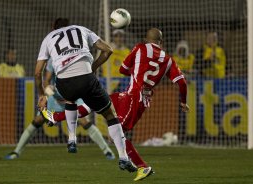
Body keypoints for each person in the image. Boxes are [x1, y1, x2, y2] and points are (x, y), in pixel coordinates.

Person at [42, 28, 190, 181]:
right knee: (93, 103)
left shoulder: (139, 48)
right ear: (162, 42)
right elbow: (182, 82)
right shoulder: (169, 59)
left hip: (134, 96)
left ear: (146, 39)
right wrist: (183, 102)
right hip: (134, 97)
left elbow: (123, 69)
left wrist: (136, 70)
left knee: (117, 135)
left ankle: (143, 166)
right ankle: (55, 116)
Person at [35, 18, 136, 172]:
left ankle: (72, 139)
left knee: (70, 98)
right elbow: (108, 50)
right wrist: (93, 67)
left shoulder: (49, 38)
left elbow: (37, 73)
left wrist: (42, 95)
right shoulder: (81, 28)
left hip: (63, 83)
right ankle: (123, 158)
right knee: (110, 115)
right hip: (86, 78)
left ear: (53, 28)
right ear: (69, 26)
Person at [5, 59, 115, 160]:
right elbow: (47, 81)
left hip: (75, 95)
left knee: (84, 121)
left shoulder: (77, 57)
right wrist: (49, 94)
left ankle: (107, 151)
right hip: (57, 96)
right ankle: (16, 151)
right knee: (38, 120)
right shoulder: (53, 60)